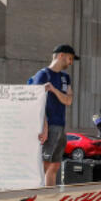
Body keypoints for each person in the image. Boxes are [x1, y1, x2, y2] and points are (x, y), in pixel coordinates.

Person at [30, 44, 76, 187]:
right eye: (70, 58)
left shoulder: (65, 77)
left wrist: (54, 90)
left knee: (54, 166)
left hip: (60, 125)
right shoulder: (43, 74)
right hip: (48, 125)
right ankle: (36, 196)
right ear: (61, 55)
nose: (71, 62)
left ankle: (50, 197)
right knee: (44, 164)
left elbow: (68, 100)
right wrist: (44, 126)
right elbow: (35, 102)